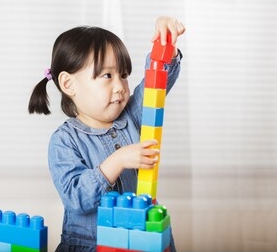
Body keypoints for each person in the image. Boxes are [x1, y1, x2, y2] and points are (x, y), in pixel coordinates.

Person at [28, 16, 185, 252]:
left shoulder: (130, 116)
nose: (120, 86)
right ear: (68, 84)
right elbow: (76, 197)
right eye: (107, 76)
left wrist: (166, 47)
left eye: (123, 75)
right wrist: (118, 161)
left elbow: (156, 85)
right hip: (92, 245)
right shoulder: (64, 141)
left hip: (141, 238)